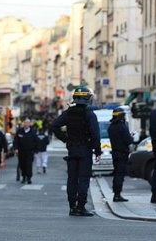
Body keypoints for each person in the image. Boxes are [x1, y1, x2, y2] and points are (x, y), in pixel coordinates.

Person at [51, 86, 101, 217]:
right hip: (85, 150)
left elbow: (54, 126)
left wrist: (65, 139)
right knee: (83, 178)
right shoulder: (90, 114)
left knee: (72, 178)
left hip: (72, 149)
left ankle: (72, 206)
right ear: (86, 98)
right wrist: (98, 151)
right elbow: (95, 134)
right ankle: (80, 207)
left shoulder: (69, 112)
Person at [108, 107, 133, 202]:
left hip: (115, 153)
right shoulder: (123, 127)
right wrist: (131, 136)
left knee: (116, 173)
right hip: (122, 153)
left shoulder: (111, 127)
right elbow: (129, 140)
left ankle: (116, 193)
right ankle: (117, 195)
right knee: (120, 174)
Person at [13, 118, 38, 184]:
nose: (26, 124)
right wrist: (15, 149)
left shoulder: (33, 133)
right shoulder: (20, 132)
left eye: (28, 123)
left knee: (29, 165)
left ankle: (29, 178)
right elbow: (16, 141)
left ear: (29, 124)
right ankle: (24, 177)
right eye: (25, 123)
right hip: (21, 152)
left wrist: (35, 150)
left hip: (29, 152)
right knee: (22, 165)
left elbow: (36, 142)